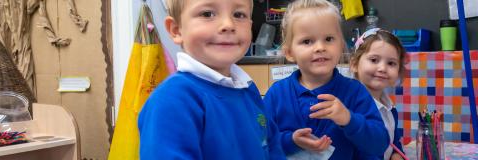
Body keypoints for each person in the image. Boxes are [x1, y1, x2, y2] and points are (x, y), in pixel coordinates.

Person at [138, 0, 285, 159]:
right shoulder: (171, 100)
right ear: (176, 30)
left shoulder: (249, 90)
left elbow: (272, 147)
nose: (228, 24)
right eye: (207, 14)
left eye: (238, 15)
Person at [263, 0, 389, 159]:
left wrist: (349, 120)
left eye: (329, 39)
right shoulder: (276, 95)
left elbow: (379, 144)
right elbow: (260, 143)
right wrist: (291, 140)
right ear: (289, 52)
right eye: (307, 41)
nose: (320, 47)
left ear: (341, 45)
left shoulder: (355, 92)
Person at [350, 28, 407, 160]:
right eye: (374, 60)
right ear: (354, 64)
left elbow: (394, 142)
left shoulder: (390, 108)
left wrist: (396, 155)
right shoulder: (351, 109)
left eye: (391, 63)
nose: (382, 68)